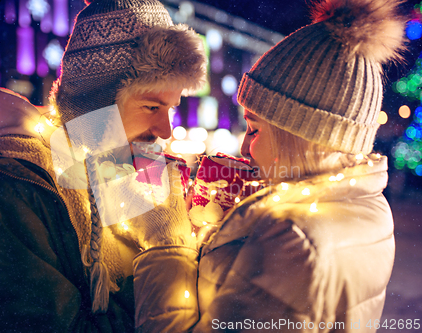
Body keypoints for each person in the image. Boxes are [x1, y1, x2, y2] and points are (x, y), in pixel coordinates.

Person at [0, 0, 206, 331]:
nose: (165, 132)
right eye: (151, 106)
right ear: (96, 99)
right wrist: (167, 249)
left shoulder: (122, 175)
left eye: (171, 108)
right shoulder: (3, 189)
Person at [130, 0, 405, 331]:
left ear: (303, 133)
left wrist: (165, 240)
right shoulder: (364, 207)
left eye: (255, 128)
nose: (245, 147)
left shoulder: (291, 239)